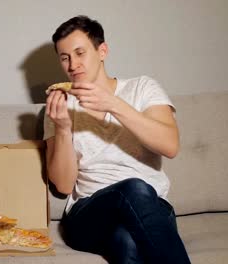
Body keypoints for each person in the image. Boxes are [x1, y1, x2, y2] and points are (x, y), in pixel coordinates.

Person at [44, 16, 191, 263]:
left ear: (102, 51)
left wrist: (114, 104)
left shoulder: (142, 88)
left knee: (127, 242)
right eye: (65, 57)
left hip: (151, 207)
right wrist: (62, 128)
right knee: (132, 188)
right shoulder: (59, 105)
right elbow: (64, 185)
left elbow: (170, 145)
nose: (73, 65)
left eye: (80, 53)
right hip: (89, 213)